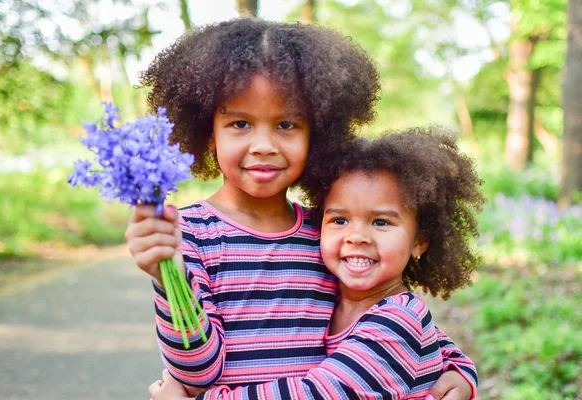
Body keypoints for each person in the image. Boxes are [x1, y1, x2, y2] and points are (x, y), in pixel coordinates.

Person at [125, 19, 475, 399]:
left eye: (286, 124)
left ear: (317, 134)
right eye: (240, 123)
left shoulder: (327, 233)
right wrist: (168, 279)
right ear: (209, 134)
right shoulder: (189, 234)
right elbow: (197, 371)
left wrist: (459, 369)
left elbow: (393, 323)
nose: (263, 145)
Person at [148, 128, 483, 399]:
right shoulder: (338, 288)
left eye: (381, 222)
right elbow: (428, 342)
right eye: (338, 220)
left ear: (420, 241)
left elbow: (316, 393)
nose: (357, 236)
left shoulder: (397, 318)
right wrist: (458, 365)